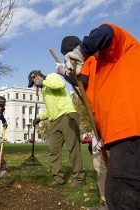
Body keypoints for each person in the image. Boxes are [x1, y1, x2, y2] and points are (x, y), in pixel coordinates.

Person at [60, 23, 140, 210]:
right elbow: (82, 82)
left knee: (125, 193)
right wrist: (66, 73)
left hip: (131, 129)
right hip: (117, 133)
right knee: (117, 189)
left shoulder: (119, 48)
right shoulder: (95, 66)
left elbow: (107, 31)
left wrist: (82, 51)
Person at [57, 35, 108, 208]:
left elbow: (83, 80)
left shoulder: (93, 60)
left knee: (110, 161)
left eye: (67, 53)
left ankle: (114, 200)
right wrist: (67, 73)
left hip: (110, 120)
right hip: (99, 118)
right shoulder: (85, 63)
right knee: (99, 161)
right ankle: (105, 200)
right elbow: (81, 82)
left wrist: (65, 73)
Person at [27, 70, 84, 188]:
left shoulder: (52, 77)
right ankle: (58, 178)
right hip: (54, 120)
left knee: (73, 148)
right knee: (53, 150)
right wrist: (40, 118)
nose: (34, 85)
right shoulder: (44, 90)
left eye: (33, 82)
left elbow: (60, 86)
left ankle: (78, 179)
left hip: (67, 115)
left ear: (36, 76)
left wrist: (43, 81)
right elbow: (50, 109)